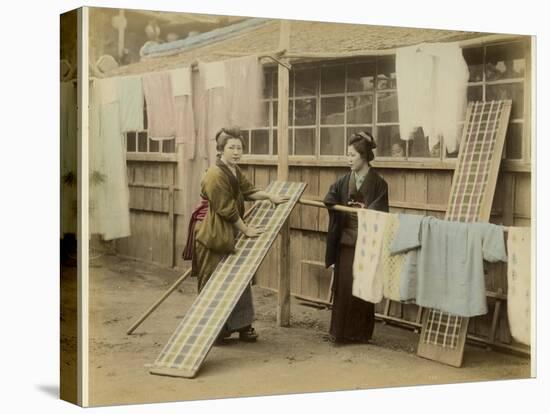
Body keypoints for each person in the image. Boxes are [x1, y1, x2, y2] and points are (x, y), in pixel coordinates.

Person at [193, 127, 289, 343]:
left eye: (239, 147)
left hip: (233, 232)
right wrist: (246, 229)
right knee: (214, 283)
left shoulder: (234, 170)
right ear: (221, 150)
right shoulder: (214, 174)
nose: (236, 151)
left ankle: (243, 326)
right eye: (231, 147)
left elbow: (248, 191)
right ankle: (216, 331)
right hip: (215, 235)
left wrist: (269, 196)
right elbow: (226, 209)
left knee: (240, 279)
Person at [323, 131, 389, 344]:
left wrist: (364, 211)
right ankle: (340, 333)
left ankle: (359, 333)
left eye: (352, 155)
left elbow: (379, 210)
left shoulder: (379, 183)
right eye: (347, 154)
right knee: (344, 286)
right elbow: (329, 198)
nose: (348, 159)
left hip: (367, 241)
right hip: (346, 240)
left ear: (364, 156)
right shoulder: (344, 180)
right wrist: (339, 206)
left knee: (364, 284)